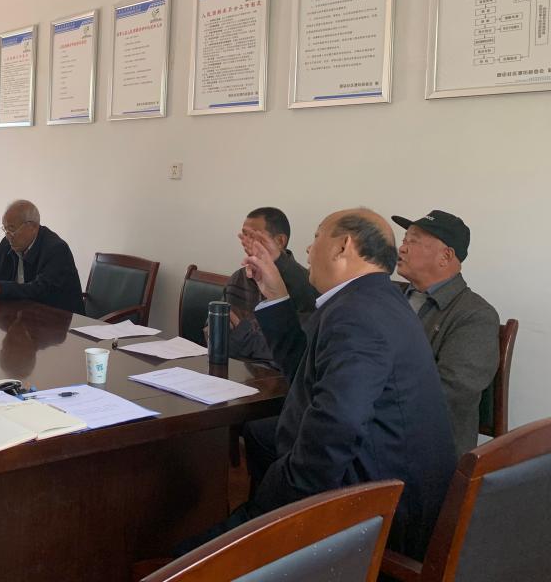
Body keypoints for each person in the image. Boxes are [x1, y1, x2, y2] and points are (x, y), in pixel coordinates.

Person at [177, 209, 456, 561]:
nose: (309, 250)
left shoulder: (357, 315)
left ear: (343, 246)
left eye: (317, 237)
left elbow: (335, 432)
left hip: (370, 516)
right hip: (369, 488)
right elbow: (307, 374)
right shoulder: (374, 299)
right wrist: (275, 296)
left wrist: (269, 511)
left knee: (185, 558)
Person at [393, 210, 500, 458]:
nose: (402, 248)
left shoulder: (476, 315)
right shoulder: (390, 295)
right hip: (375, 430)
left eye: (413, 241)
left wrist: (369, 395)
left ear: (446, 256)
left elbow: (448, 392)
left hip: (428, 447)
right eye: (404, 239)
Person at [219, 207, 317, 364]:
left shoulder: (306, 284)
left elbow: (290, 349)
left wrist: (243, 336)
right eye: (245, 235)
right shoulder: (239, 277)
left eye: (254, 236)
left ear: (280, 241)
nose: (247, 242)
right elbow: (218, 334)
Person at [0, 200, 84, 314]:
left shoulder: (56, 249)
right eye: (5, 229)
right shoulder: (7, 243)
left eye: (12, 229)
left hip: (58, 318)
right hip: (20, 315)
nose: (8, 236)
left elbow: (40, 290)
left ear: (32, 227)